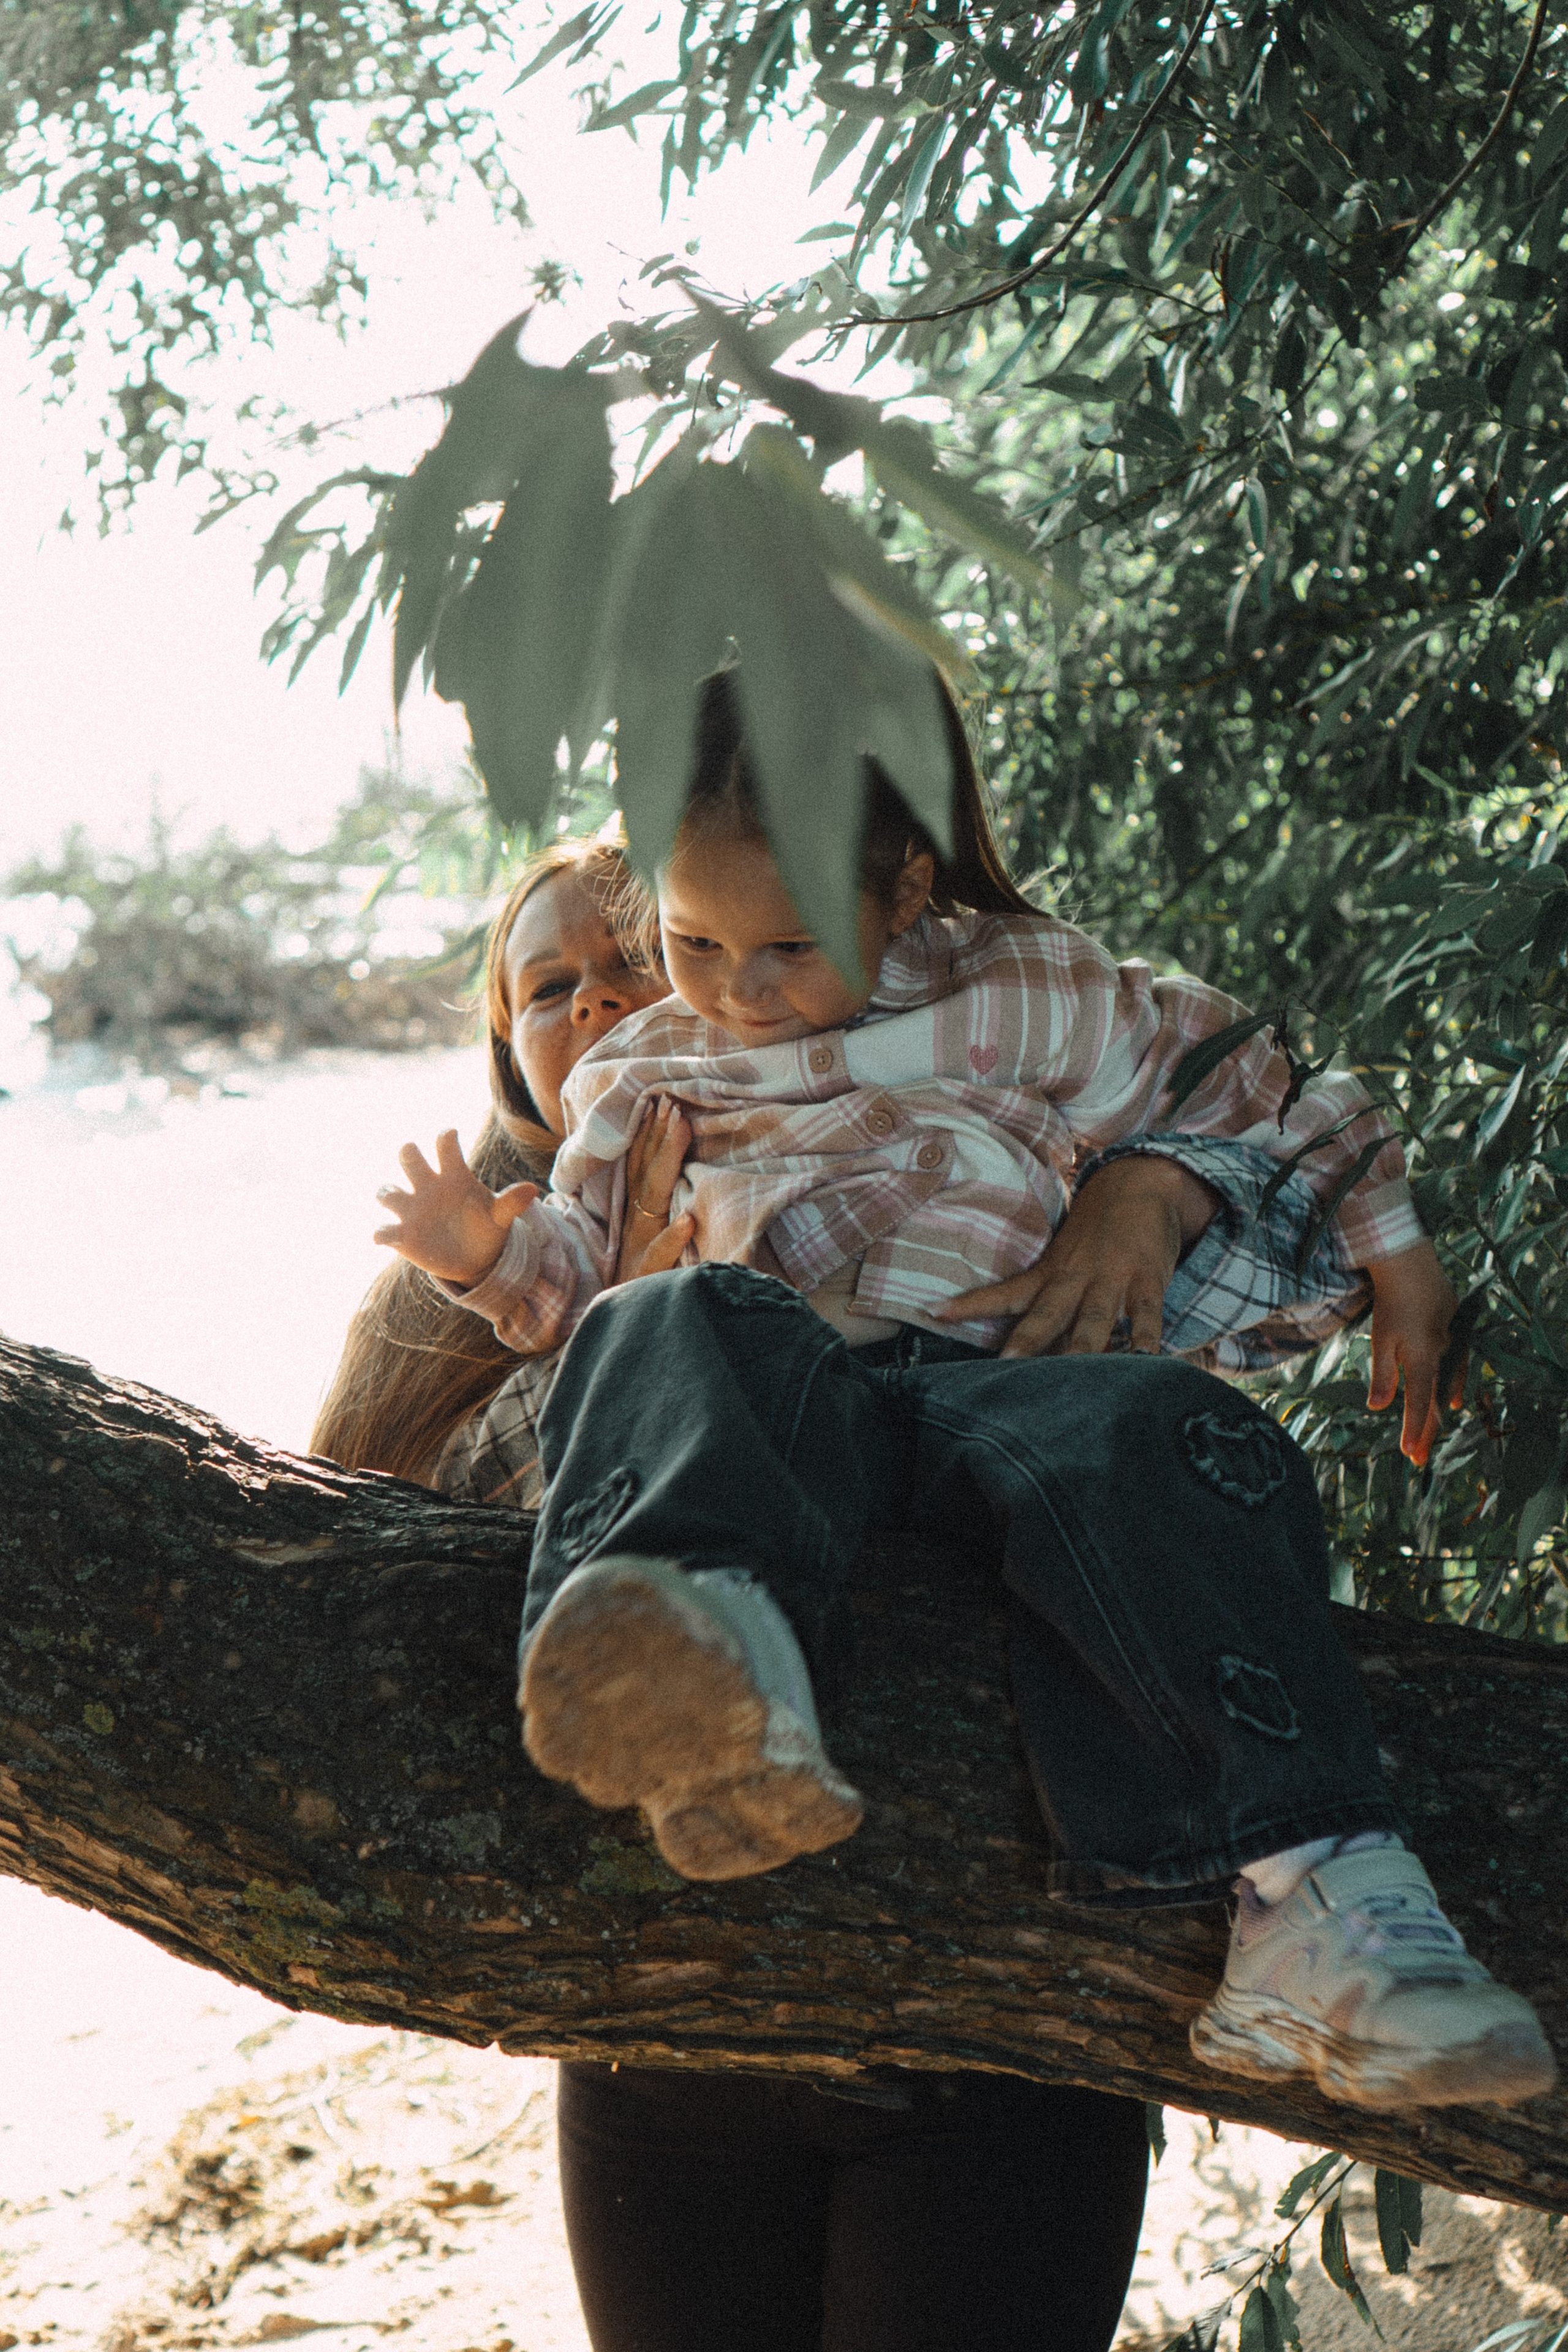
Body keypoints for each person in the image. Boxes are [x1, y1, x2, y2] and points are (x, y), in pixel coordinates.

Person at [374, 667, 1556, 2123]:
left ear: (905, 891)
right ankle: (707, 1664)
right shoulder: (642, 1063)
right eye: (689, 941)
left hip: (988, 1393)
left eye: (788, 945)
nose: (737, 991)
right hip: (774, 1397)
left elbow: (1257, 1086)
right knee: (675, 1314)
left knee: (1166, 1425)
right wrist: (487, 1258)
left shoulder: (1026, 992)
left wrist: (1399, 1252)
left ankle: (1316, 1893)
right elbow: (564, 1284)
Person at [318, 833, 1166, 2352]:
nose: (595, 1005)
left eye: (632, 963)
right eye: (547, 987)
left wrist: (1153, 1188)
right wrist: (631, 1332)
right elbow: (369, 1611)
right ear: (510, 1051)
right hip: (661, 2024)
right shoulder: (450, 1288)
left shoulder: (940, 1151)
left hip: (982, 1994)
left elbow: (1088, 1440)